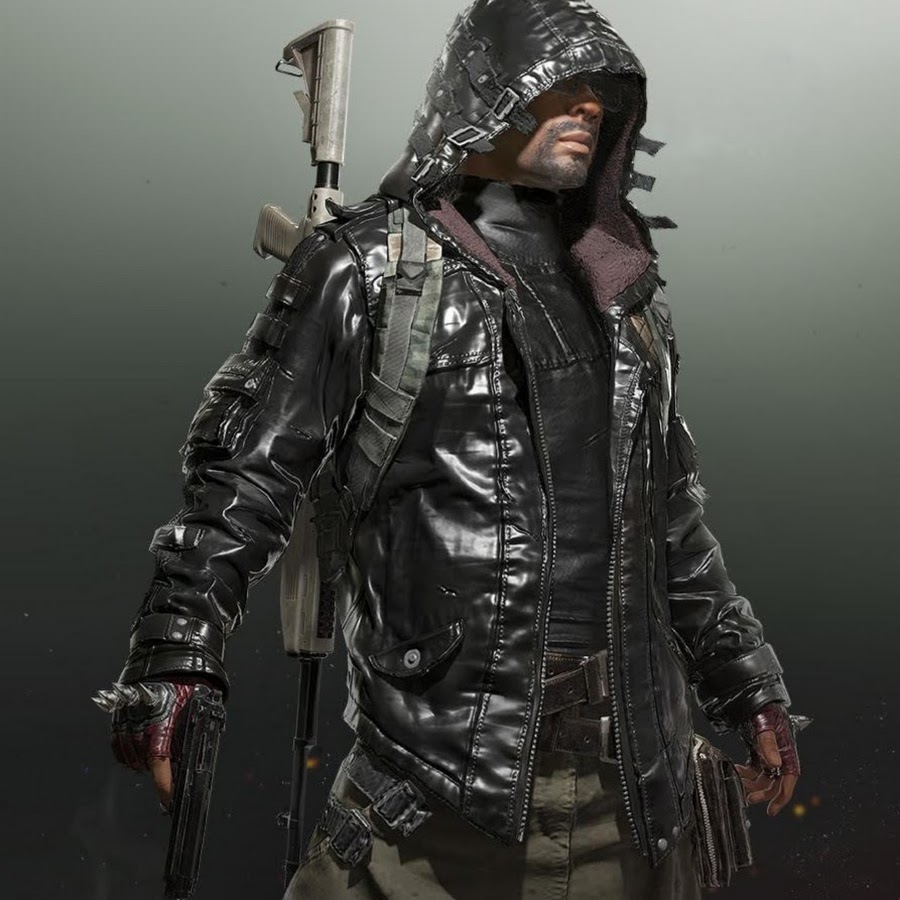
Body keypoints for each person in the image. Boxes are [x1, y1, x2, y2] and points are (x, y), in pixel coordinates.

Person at [101, 1, 803, 897]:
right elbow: (243, 476)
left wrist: (748, 684)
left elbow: (670, 524)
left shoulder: (625, 299)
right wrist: (177, 650)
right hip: (432, 794)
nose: (590, 105)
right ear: (487, 87)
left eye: (603, 92)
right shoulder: (370, 268)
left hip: (634, 792)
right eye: (564, 83)